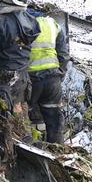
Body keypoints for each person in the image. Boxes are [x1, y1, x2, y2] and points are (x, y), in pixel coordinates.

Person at [27, 9, 69, 143]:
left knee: (27, 116)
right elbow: (63, 55)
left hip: (31, 79)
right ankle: (56, 153)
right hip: (53, 79)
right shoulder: (53, 24)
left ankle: (28, 149)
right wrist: (59, 75)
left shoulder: (24, 22)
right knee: (54, 119)